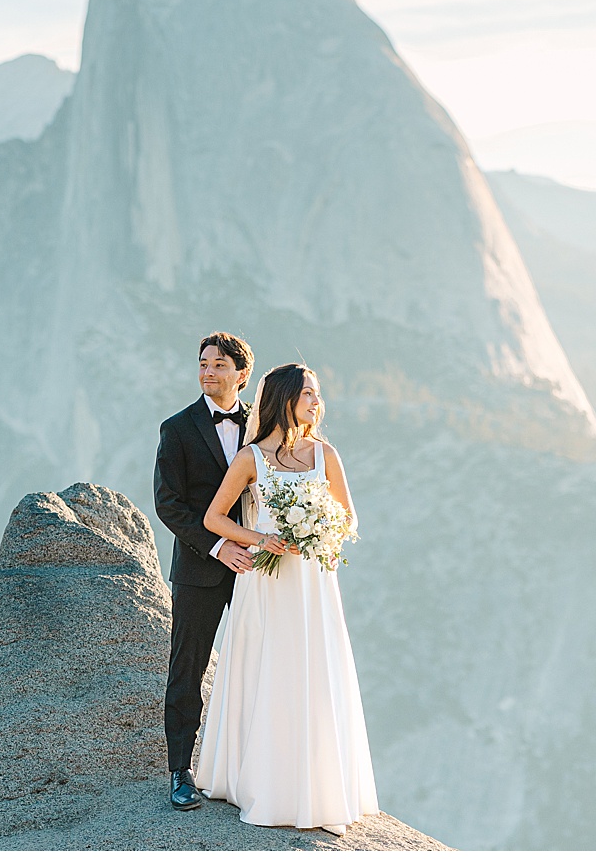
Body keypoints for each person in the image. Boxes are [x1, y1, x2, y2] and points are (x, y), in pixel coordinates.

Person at [195, 362, 379, 836]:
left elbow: (350, 519)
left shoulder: (326, 454)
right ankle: (260, 782)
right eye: (310, 394)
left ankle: (315, 786)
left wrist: (320, 533)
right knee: (269, 671)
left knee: (313, 672)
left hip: (313, 583)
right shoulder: (251, 458)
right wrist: (259, 538)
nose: (318, 402)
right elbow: (215, 519)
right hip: (267, 582)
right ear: (285, 398)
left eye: (318, 395)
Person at [153, 332, 259, 811]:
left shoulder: (263, 424)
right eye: (202, 364)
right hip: (201, 568)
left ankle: (255, 769)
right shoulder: (176, 429)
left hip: (260, 567)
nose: (207, 372)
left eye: (218, 365)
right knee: (188, 669)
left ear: (241, 373)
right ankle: (180, 771)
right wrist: (218, 546)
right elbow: (168, 505)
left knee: (262, 662)